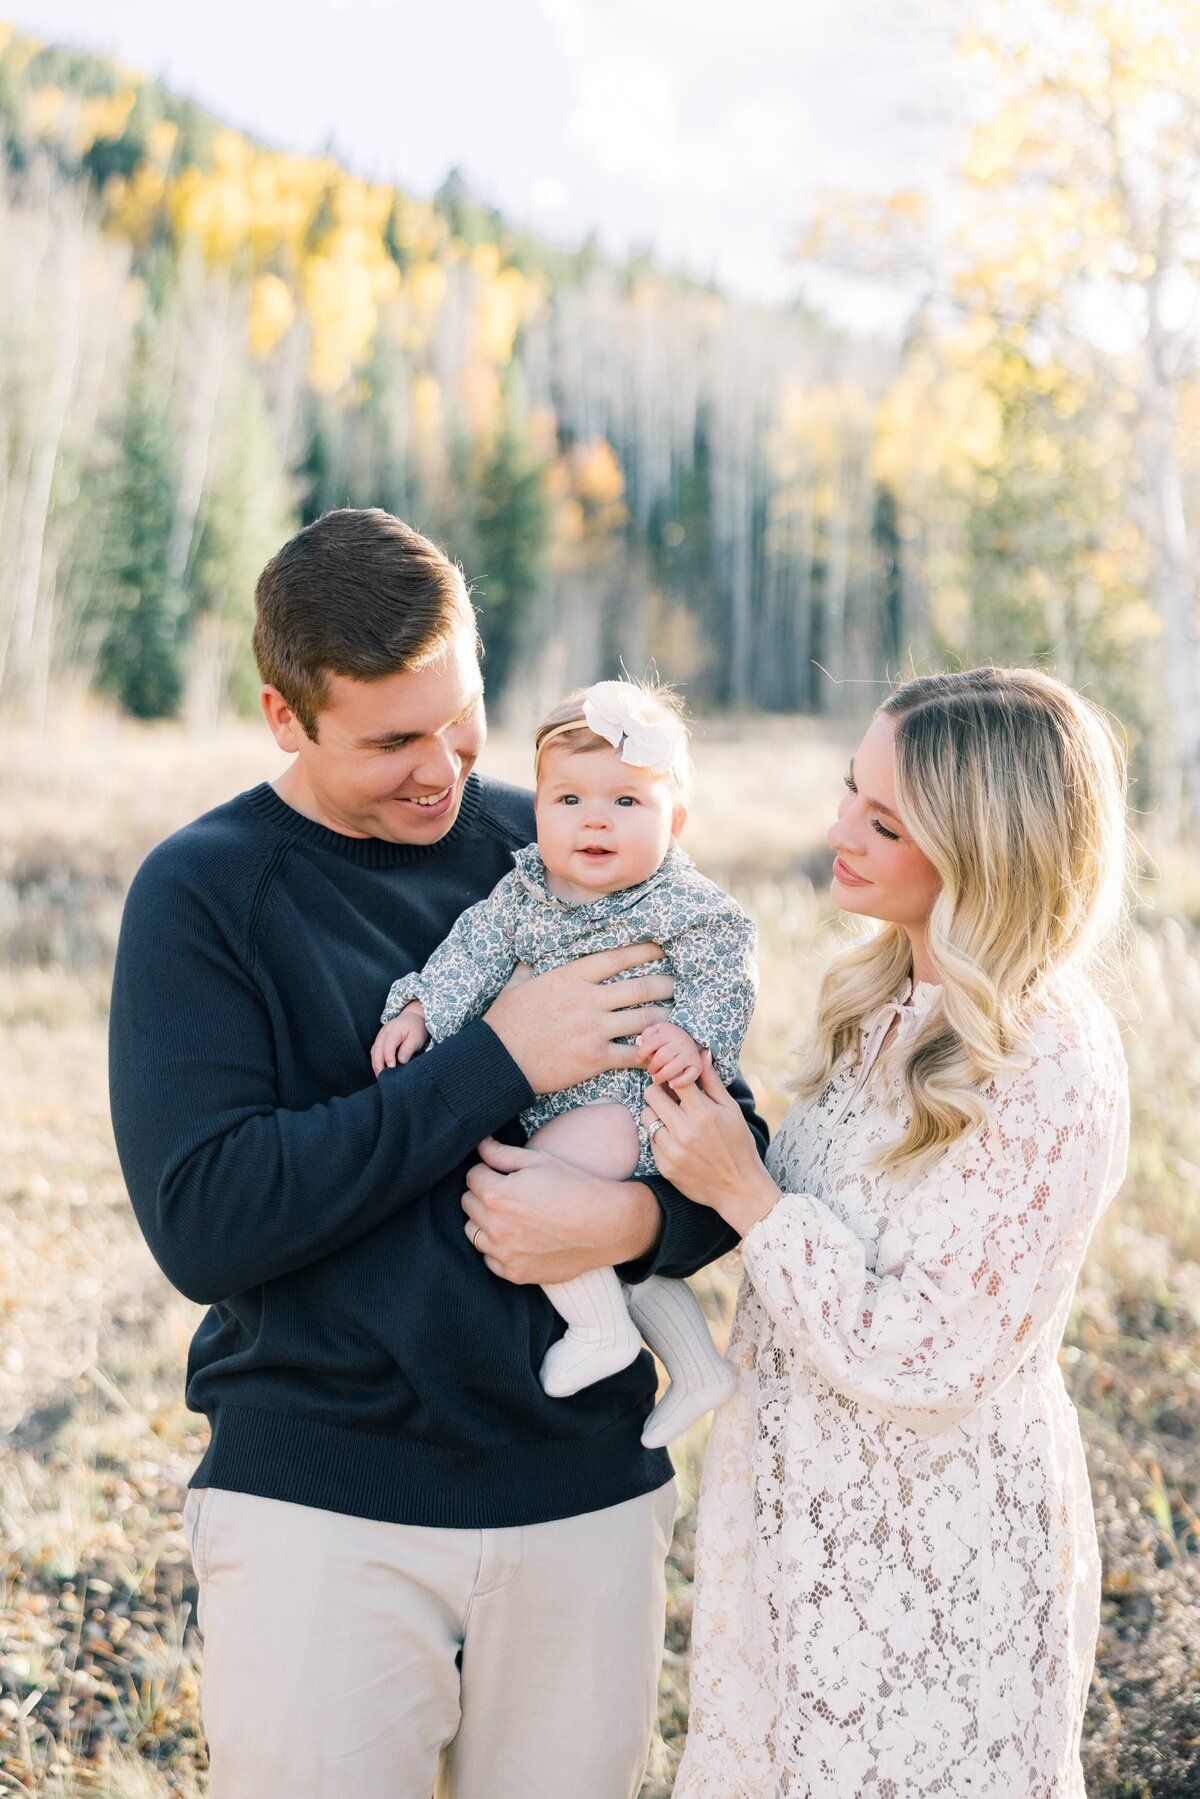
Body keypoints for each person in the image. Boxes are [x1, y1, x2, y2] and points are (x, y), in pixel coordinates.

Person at [107, 508, 766, 1799]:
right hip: (324, 1516)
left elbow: (722, 1131)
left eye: (459, 715)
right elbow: (207, 1216)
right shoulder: (203, 892)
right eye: (391, 740)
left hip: (579, 1496)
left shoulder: (571, 841)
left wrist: (630, 1229)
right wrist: (499, 1056)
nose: (440, 768)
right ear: (284, 718)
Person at [639, 668, 1130, 1797]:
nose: (838, 832)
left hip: (933, 1567)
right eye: (849, 792)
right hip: (796, 1533)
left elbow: (932, 1350)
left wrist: (750, 1197)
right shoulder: (884, 998)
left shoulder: (1046, 1054)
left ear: (986, 847)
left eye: (885, 819)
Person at [372, 677, 757, 1445]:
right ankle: (699, 1366)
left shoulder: (682, 902)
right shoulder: (522, 895)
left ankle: (602, 1334)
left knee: (524, 1190)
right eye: (569, 800)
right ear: (538, 808)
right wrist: (421, 1007)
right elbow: (470, 954)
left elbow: (728, 962)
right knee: (607, 1243)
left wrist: (696, 1036)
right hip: (574, 1104)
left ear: (673, 822)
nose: (595, 821)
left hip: (635, 1108)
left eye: (626, 802)